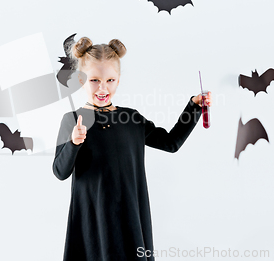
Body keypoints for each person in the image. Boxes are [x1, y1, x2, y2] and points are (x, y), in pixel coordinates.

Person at [52, 37, 212, 261]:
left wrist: (194, 106)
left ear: (118, 80)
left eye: (110, 80)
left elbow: (171, 143)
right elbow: (60, 171)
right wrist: (74, 143)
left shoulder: (131, 119)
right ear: (81, 80)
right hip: (94, 221)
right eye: (94, 80)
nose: (103, 88)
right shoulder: (72, 120)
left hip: (130, 216)